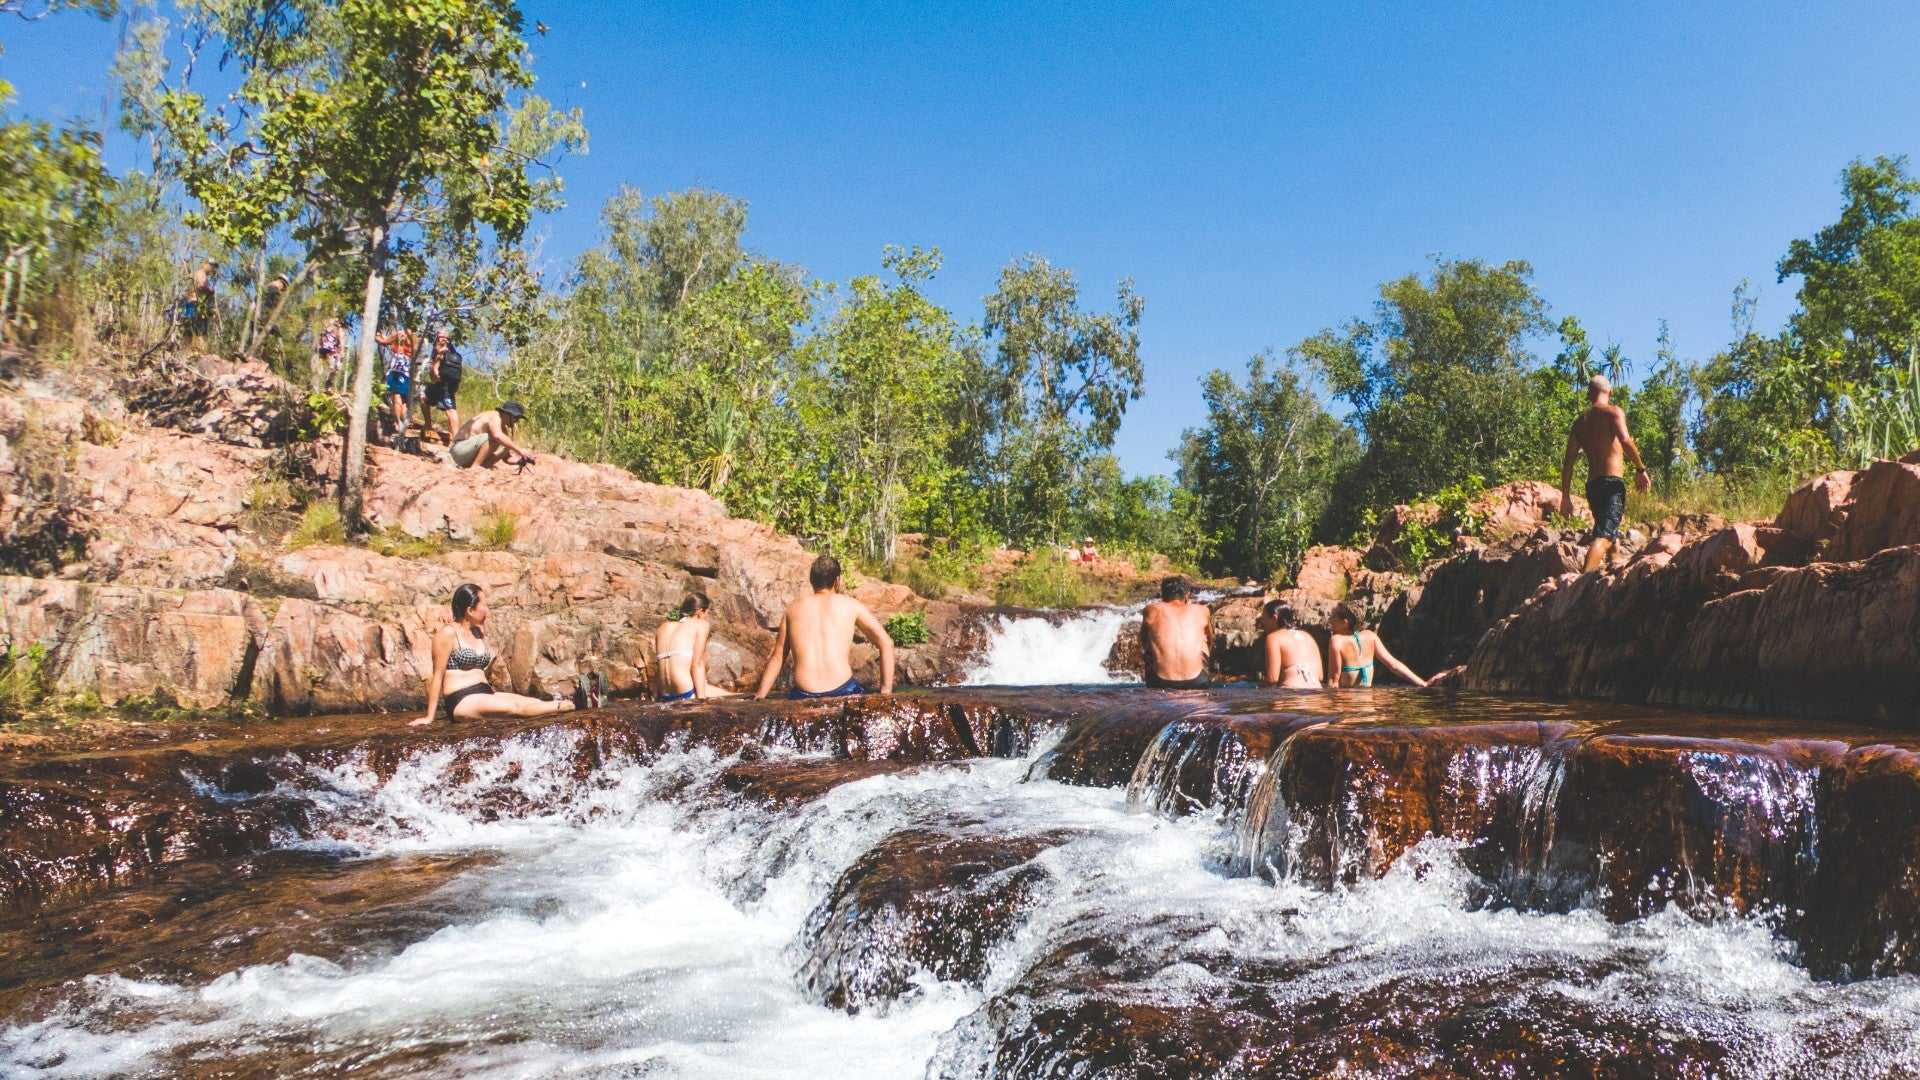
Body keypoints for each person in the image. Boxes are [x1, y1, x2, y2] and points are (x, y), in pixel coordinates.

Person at [412, 583, 597, 726]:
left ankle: (574, 699)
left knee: (530, 701)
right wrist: (429, 717)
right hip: (462, 699)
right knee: (515, 708)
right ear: (469, 610)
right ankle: (573, 703)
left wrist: (481, 629)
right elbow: (437, 676)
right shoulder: (447, 634)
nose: (488, 609)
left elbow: (483, 667)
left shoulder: (478, 633)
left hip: (484, 692)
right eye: (483, 605)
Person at [752, 554, 895, 699]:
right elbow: (886, 643)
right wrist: (885, 692)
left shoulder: (792, 610)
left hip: (803, 694)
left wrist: (761, 694)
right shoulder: (851, 605)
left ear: (812, 581)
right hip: (844, 690)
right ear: (837, 581)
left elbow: (778, 657)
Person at [1559, 374, 1653, 573]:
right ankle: (1583, 584)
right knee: (1604, 536)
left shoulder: (1579, 423)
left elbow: (1568, 463)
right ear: (1610, 392)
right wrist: (1640, 469)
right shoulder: (1613, 412)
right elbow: (1625, 440)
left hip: (1593, 487)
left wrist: (1565, 496)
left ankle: (1613, 570)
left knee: (1610, 532)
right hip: (1611, 484)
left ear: (1589, 394)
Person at [1326, 602, 1427, 688]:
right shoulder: (1371, 636)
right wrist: (1423, 683)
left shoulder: (1336, 641)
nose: (1330, 621)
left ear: (1345, 622)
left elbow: (1333, 681)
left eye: (1334, 617)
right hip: (1369, 708)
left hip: (1347, 708)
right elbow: (1394, 665)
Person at [1140, 576, 1212, 689]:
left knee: (1148, 647)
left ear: (1163, 595)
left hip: (1160, 682)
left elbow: (1143, 641)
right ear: (1187, 595)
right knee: (1204, 641)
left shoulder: (1151, 609)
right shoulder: (1202, 610)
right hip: (1197, 680)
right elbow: (1211, 640)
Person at [1257, 599, 1323, 689]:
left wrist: (1258, 686)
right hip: (1317, 694)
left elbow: (1272, 679)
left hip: (1291, 694)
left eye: (1264, 618)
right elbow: (1320, 676)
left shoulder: (1273, 638)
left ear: (1274, 618)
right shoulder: (1308, 637)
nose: (1262, 623)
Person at [449, 401, 535, 469]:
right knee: (492, 438)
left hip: (465, 456)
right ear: (507, 413)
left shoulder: (503, 430)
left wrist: (521, 460)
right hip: (458, 449)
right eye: (516, 418)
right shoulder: (495, 416)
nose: (516, 421)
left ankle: (475, 466)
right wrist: (520, 450)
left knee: (504, 448)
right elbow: (497, 436)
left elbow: (507, 458)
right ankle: (475, 468)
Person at [375, 327, 422, 444]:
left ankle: (398, 424)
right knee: (403, 401)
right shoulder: (401, 337)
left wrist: (406, 336)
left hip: (400, 372)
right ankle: (403, 424)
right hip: (403, 373)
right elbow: (383, 341)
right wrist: (378, 335)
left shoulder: (412, 340)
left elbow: (383, 341)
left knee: (397, 397)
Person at [421, 328, 462, 445]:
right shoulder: (453, 352)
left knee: (450, 410)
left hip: (442, 384)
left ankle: (456, 440)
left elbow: (434, 373)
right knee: (424, 397)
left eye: (443, 337)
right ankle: (429, 426)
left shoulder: (441, 351)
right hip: (451, 385)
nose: (442, 339)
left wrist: (434, 368)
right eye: (440, 337)